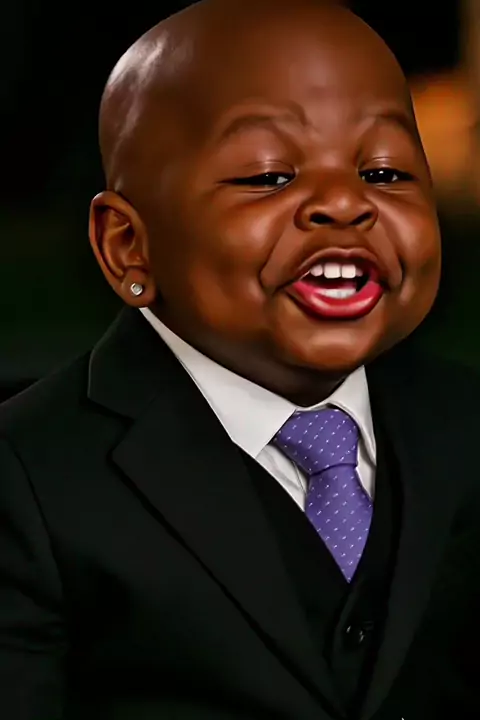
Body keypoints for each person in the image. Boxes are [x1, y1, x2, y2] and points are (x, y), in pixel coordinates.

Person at [1, 1, 479, 718]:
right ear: (129, 246)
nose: (343, 204)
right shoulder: (28, 480)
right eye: (267, 176)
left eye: (384, 172)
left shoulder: (465, 424)